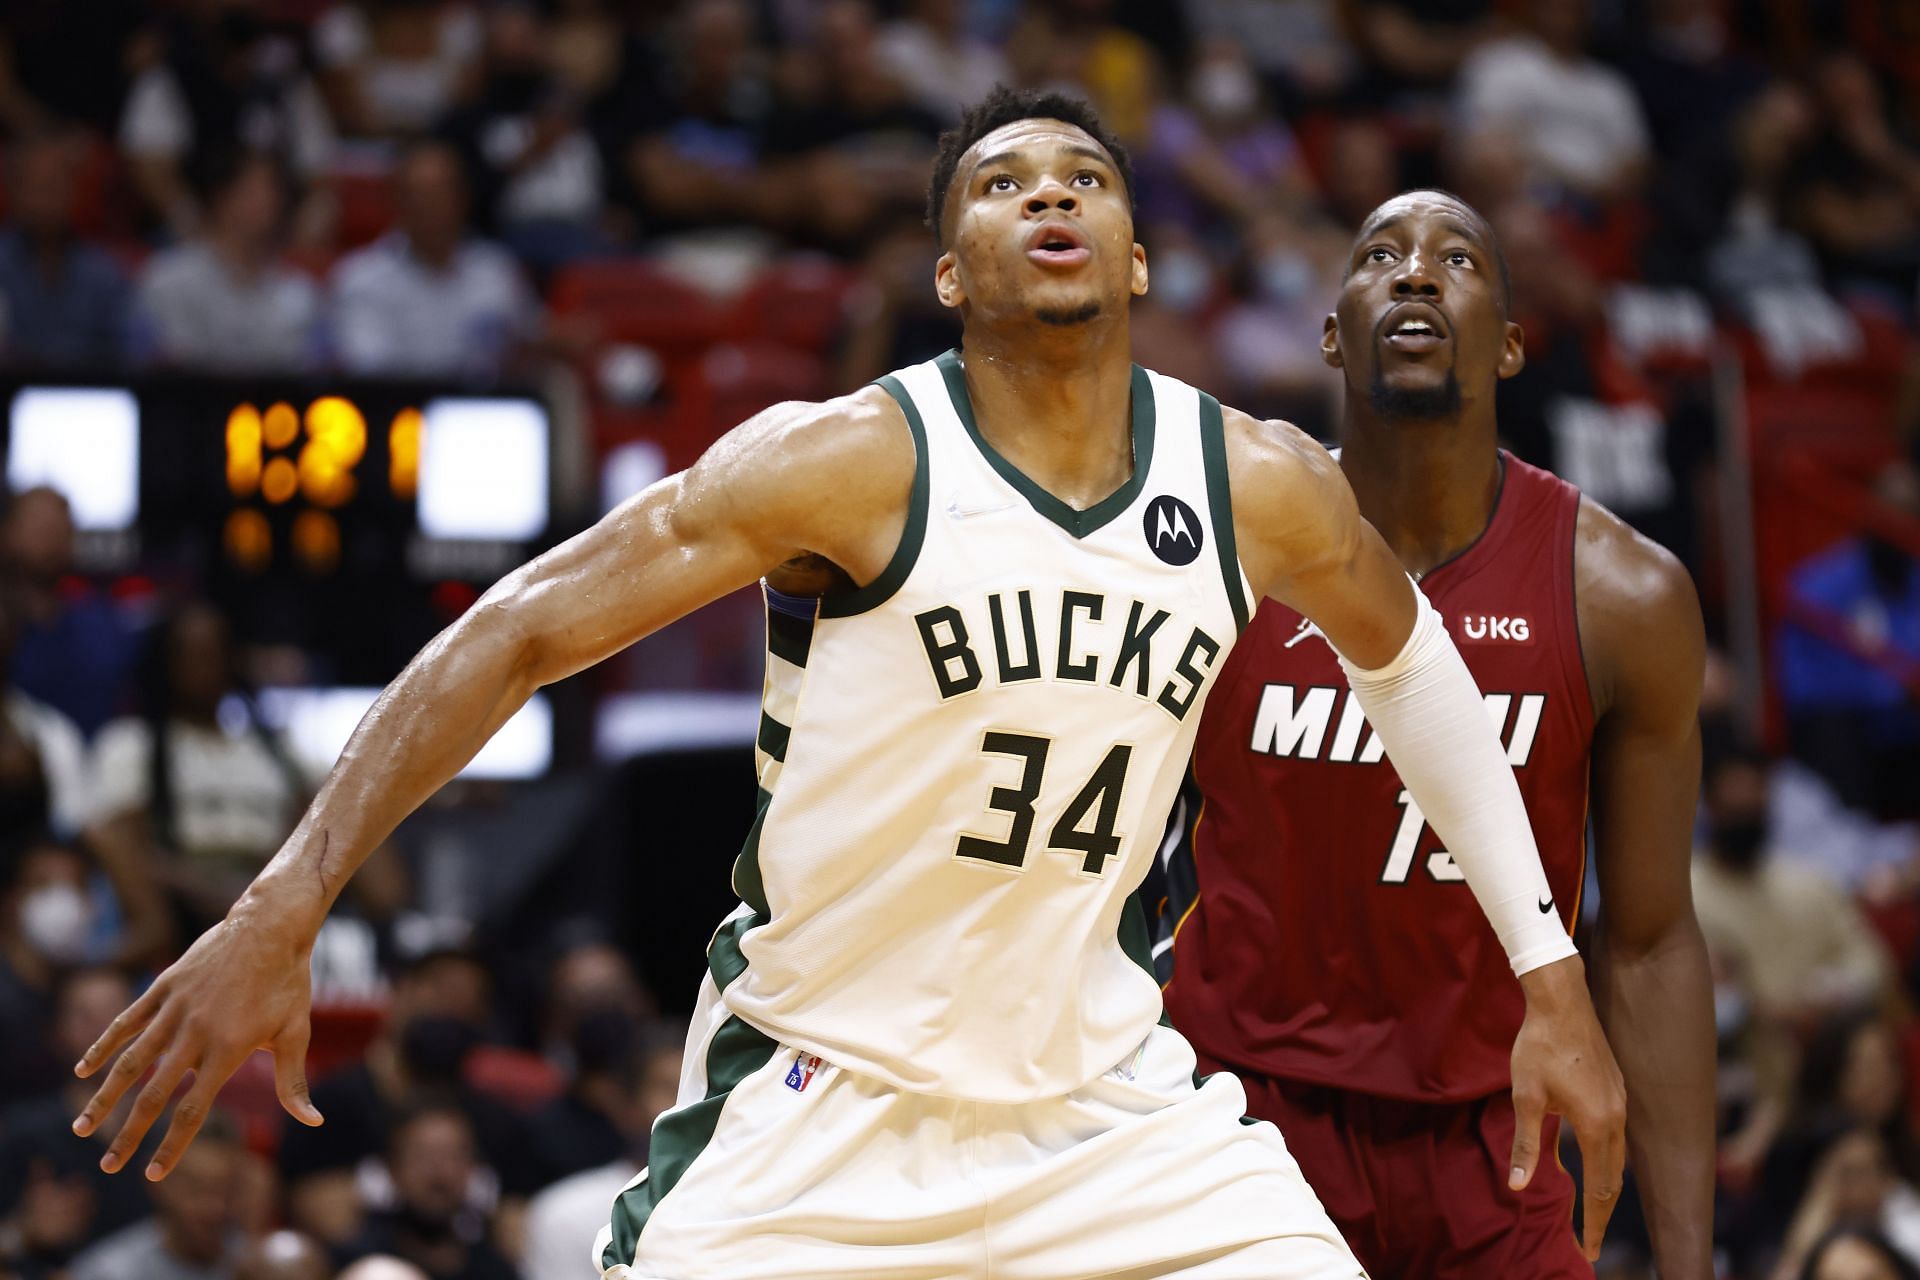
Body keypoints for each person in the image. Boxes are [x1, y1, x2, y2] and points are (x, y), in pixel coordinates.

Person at [74, 88, 1624, 1278]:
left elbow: (1412, 667)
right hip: (822, 1103)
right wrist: (289, 898)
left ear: (1141, 253)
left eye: (1083, 179)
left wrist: (1549, 982)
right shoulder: (848, 463)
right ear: (954, 272)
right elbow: (522, 629)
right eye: (1004, 188)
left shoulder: (1257, 484)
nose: (1050, 198)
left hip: (1107, 1112)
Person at [1154, 188, 1716, 1277]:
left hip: (1491, 1144)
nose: (1415, 273)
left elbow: (1650, 940)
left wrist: (1691, 1258)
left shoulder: (1621, 595)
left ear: (1510, 346)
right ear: (1330, 331)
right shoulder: (1219, 555)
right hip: (1234, 1119)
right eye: (1379, 255)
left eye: (1457, 259)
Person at [133, 151, 324, 372]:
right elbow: (169, 366)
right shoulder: (167, 279)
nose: (267, 202)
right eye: (252, 190)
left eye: (273, 191)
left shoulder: (299, 292)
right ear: (221, 196)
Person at [67, 1112, 247, 1280]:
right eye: (195, 1188)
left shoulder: (259, 1265)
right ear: (157, 1180)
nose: (214, 1206)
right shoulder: (110, 1272)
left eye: (227, 1189)